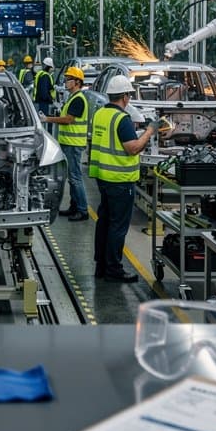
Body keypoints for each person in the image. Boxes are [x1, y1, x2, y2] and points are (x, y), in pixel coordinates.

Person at [89, 74, 161, 282]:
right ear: (125, 97)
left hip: (103, 177)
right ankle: (114, 270)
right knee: (117, 227)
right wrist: (149, 131)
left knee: (104, 222)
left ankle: (101, 266)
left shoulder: (101, 114)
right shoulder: (122, 119)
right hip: (120, 180)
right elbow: (133, 148)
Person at [41, 66, 90, 221]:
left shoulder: (78, 99)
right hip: (69, 143)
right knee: (72, 177)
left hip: (73, 144)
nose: (66, 82)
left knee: (75, 177)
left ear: (77, 82)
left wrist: (48, 119)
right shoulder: (72, 97)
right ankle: (74, 207)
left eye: (69, 79)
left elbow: (68, 120)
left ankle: (83, 210)